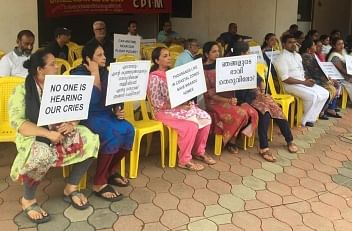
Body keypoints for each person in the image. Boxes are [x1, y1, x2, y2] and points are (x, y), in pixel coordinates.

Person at [8, 49, 99, 224]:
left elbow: (75, 109)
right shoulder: (22, 90)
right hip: (34, 135)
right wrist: (48, 133)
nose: (57, 67)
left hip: (58, 131)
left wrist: (71, 124)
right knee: (41, 154)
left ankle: (71, 187)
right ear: (40, 70)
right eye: (52, 64)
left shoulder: (60, 84)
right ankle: (28, 199)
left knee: (90, 139)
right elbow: (19, 124)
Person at [71, 42, 134, 201]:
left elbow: (115, 94)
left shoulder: (106, 72)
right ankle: (99, 182)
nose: (104, 57)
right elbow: (94, 99)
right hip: (87, 116)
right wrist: (94, 73)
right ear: (88, 58)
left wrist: (118, 108)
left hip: (106, 114)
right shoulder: (78, 74)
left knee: (128, 130)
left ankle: (110, 171)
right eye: (99, 55)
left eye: (104, 54)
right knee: (112, 134)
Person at [147, 47, 216, 171]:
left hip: (178, 107)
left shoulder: (173, 74)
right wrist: (178, 105)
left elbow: (182, 92)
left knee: (206, 118)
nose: (169, 58)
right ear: (157, 60)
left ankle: (198, 151)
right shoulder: (154, 78)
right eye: (165, 56)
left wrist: (187, 101)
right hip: (162, 111)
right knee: (191, 126)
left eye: (169, 55)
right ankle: (184, 160)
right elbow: (156, 102)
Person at [233, 41, 298, 161]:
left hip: (257, 95)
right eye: (247, 52)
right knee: (265, 113)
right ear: (242, 53)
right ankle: (264, 148)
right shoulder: (232, 67)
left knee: (276, 109)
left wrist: (262, 91)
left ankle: (289, 140)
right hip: (244, 98)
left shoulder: (248, 64)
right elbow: (234, 90)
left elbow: (259, 79)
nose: (248, 54)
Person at [203, 41, 258, 153]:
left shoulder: (225, 65)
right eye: (213, 51)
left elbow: (236, 80)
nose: (217, 53)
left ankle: (238, 136)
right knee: (241, 113)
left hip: (231, 99)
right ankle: (230, 141)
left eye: (218, 51)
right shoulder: (203, 71)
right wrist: (227, 100)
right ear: (206, 54)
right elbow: (209, 95)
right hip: (215, 102)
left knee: (252, 112)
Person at [274, 33, 329, 127]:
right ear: (283, 44)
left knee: (325, 93)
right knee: (312, 96)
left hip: (302, 82)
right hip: (290, 85)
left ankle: (310, 118)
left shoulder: (297, 56)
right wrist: (304, 82)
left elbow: (301, 72)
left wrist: (307, 80)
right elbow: (285, 79)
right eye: (290, 42)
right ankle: (304, 120)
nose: (293, 44)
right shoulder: (281, 58)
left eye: (294, 42)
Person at [300, 39, 342, 118]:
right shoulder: (306, 56)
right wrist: (328, 80)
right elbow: (315, 72)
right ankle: (321, 111)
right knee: (331, 89)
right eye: (314, 45)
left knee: (335, 86)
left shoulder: (312, 55)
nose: (315, 47)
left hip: (316, 77)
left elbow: (320, 70)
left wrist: (329, 79)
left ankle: (328, 108)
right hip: (310, 79)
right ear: (308, 49)